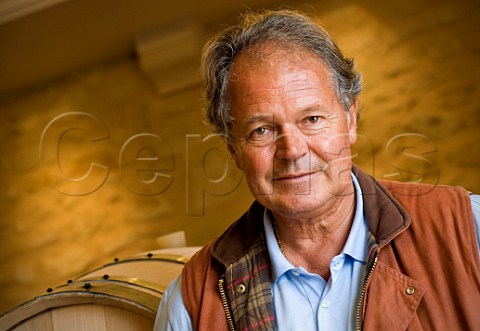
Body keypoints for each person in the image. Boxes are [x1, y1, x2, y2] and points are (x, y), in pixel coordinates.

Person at [154, 9, 480, 331]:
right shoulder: (191, 301)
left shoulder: (467, 228)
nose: (293, 150)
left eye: (312, 119)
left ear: (350, 119)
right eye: (261, 131)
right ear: (233, 150)